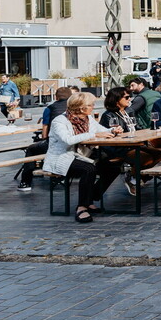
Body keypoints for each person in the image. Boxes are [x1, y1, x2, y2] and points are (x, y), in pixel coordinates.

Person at [45, 91, 119, 222]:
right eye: (90, 105)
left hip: (82, 156)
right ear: (81, 108)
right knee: (89, 169)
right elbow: (68, 140)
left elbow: (100, 130)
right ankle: (82, 207)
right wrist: (93, 135)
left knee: (113, 167)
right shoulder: (60, 121)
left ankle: (90, 197)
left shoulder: (87, 118)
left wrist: (112, 130)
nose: (93, 107)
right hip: (62, 158)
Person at [14, 86, 74, 192]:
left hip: (55, 145)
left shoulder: (50, 108)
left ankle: (25, 182)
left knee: (31, 149)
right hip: (73, 145)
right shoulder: (75, 108)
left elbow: (45, 126)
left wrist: (44, 138)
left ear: (56, 97)